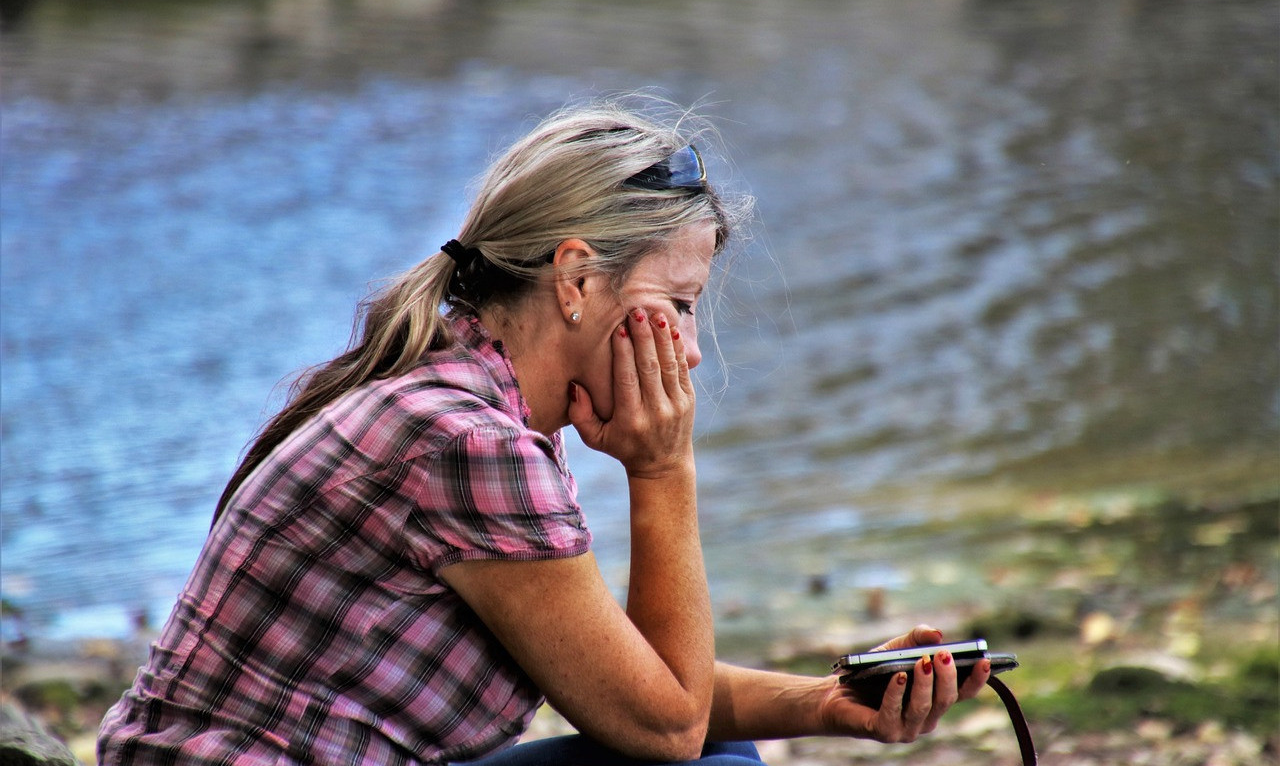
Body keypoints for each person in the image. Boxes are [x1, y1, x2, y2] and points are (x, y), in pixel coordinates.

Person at [97, 96, 990, 766]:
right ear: (575, 279)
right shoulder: (466, 443)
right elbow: (668, 723)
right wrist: (663, 472)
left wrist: (831, 701)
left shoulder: (468, 395)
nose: (687, 352)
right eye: (676, 306)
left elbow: (630, 686)